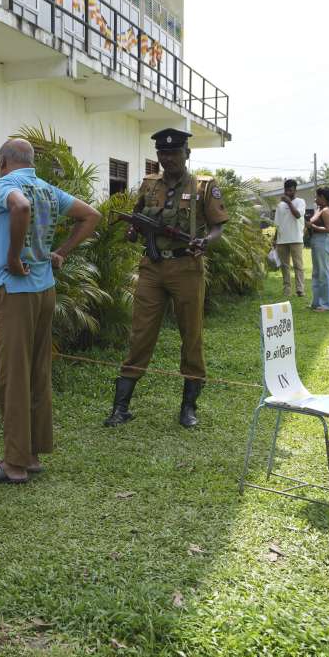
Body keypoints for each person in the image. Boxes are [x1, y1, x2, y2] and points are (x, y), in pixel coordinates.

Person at [0, 138, 100, 483]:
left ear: (2, 162)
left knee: (13, 376)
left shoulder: (7, 185)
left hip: (15, 293)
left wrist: (13, 258)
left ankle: (13, 464)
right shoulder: (47, 188)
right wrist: (62, 252)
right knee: (36, 373)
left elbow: (20, 207)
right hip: (45, 291)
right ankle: (30, 454)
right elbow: (91, 215)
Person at [103, 128, 229, 430]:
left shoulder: (203, 186)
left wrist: (205, 242)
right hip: (151, 268)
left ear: (187, 153)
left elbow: (217, 227)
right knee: (140, 333)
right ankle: (120, 408)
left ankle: (188, 407)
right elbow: (135, 220)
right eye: (163, 153)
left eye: (174, 153)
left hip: (186, 267)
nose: (168, 158)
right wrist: (134, 232)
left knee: (191, 335)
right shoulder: (148, 185)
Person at [273, 179, 306, 298]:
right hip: (282, 240)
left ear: (295, 190)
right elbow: (277, 223)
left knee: (298, 266)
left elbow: (297, 215)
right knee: (284, 266)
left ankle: (300, 290)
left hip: (296, 239)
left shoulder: (300, 202)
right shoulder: (279, 205)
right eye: (286, 190)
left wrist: (289, 203)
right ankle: (287, 290)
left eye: (290, 190)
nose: (288, 192)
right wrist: (275, 239)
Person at [308, 186, 329, 312]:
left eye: (317, 197)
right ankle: (316, 302)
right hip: (317, 241)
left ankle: (327, 305)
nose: (315, 199)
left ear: (324, 198)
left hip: (323, 241)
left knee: (324, 273)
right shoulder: (319, 209)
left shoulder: (326, 211)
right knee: (316, 273)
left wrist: (312, 225)